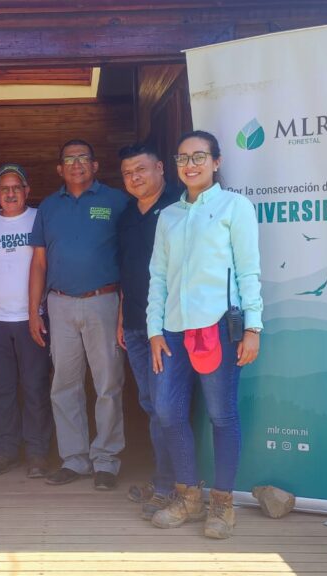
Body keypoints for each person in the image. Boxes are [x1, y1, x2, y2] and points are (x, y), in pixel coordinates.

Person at [147, 130, 262, 539]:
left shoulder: (235, 207)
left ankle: (223, 504)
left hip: (218, 327)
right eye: (182, 158)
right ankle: (188, 498)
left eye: (199, 157)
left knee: (221, 415)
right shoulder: (169, 216)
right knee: (168, 412)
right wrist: (153, 331)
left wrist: (252, 327)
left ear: (216, 162)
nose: (190, 165)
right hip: (173, 333)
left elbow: (249, 270)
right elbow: (158, 277)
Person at [29, 139, 130, 490]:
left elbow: (132, 257)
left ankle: (106, 460)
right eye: (69, 159)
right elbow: (39, 263)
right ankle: (74, 458)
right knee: (65, 384)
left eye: (83, 158)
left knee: (107, 384)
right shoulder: (48, 207)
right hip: (59, 303)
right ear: (59, 168)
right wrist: (34, 310)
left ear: (95, 165)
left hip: (104, 300)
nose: (76, 164)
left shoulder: (116, 201)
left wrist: (125, 306)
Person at [0, 163, 53, 479]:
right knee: (1, 388)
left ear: (26, 191)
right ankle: (6, 450)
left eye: (16, 187)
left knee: (35, 387)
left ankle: (37, 453)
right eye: (4, 188)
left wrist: (38, 312)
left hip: (32, 319)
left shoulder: (39, 219)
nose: (10, 193)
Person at [116, 143, 180, 519]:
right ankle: (165, 480)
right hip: (137, 326)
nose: (134, 177)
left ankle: (171, 485)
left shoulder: (178, 208)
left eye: (140, 169)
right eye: (127, 173)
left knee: (167, 407)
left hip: (168, 327)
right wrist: (123, 316)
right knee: (151, 404)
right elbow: (129, 271)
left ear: (160, 167)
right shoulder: (126, 215)